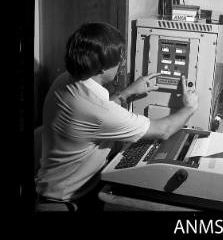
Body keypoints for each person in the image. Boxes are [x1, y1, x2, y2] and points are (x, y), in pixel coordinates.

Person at [35, 22, 199, 212]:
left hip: (60, 190)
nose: (122, 63)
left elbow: (93, 114)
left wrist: (127, 93)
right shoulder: (97, 110)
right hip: (68, 203)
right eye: (119, 59)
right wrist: (189, 107)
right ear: (103, 69)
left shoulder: (65, 79)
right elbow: (163, 131)